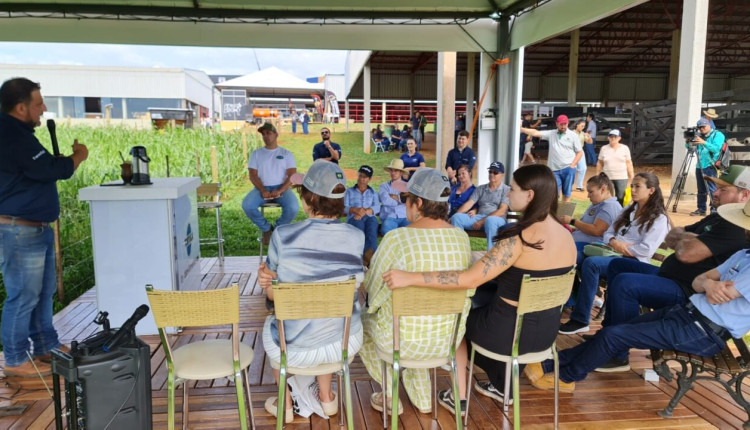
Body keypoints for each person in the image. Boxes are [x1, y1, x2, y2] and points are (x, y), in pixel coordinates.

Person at [382, 164, 577, 413]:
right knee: (494, 308)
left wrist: (410, 277)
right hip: (546, 336)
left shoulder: (521, 239)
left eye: (513, 189)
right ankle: (502, 386)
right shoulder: (566, 236)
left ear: (530, 195)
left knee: (457, 322)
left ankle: (459, 397)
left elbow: (469, 280)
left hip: (508, 336)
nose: (507, 194)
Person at [525, 194, 750, 392]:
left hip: (703, 331)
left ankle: (566, 377)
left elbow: (715, 291)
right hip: (686, 314)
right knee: (614, 332)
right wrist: (710, 283)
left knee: (614, 336)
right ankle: (551, 364)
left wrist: (709, 284)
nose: (743, 229)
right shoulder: (743, 254)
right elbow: (700, 281)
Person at [596, 166, 750, 372]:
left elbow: (687, 253)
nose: (715, 192)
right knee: (618, 265)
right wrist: (691, 240)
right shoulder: (718, 217)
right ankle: (609, 332)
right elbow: (673, 235)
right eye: (717, 187)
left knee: (626, 284)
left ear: (744, 195)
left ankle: (618, 354)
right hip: (669, 277)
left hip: (688, 291)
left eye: (723, 189)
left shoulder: (735, 227)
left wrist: (689, 242)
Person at [257, 160, 365, 423]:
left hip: (294, 349)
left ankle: (285, 403)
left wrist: (267, 285)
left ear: (310, 198)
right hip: (343, 344)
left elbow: (274, 297)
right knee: (330, 315)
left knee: (272, 322)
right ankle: (326, 396)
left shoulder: (283, 236)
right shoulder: (356, 237)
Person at [359, 168, 473, 415]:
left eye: (405, 199)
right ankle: (422, 397)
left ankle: (390, 394)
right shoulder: (462, 238)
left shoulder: (396, 238)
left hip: (400, 342)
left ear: (418, 203)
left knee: (362, 322)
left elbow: (373, 291)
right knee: (419, 322)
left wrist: (373, 304)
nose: (405, 204)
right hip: (446, 342)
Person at [0, 77, 89, 377]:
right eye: (38, 104)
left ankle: (44, 346)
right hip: (19, 230)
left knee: (42, 291)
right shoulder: (13, 135)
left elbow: (36, 170)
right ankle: (15, 360)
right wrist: (78, 157)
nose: (44, 109)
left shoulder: (18, 134)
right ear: (21, 107)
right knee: (23, 295)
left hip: (33, 228)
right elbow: (49, 169)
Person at [559, 172, 670, 335]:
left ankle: (580, 319)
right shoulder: (628, 210)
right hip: (611, 253)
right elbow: (608, 233)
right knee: (574, 256)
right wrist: (614, 242)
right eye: (632, 186)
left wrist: (621, 246)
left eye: (637, 186)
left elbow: (645, 250)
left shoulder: (659, 219)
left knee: (592, 263)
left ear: (651, 190)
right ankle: (569, 299)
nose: (632, 190)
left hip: (634, 262)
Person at [241, 122, 299, 245]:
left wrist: (281, 190)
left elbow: (292, 175)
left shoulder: (286, 154)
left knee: (293, 208)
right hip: (261, 188)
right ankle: (266, 229)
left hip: (282, 188)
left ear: (276, 134)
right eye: (263, 134)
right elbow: (253, 175)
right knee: (247, 205)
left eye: (268, 133)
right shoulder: (256, 154)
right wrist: (262, 190)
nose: (266, 136)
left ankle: (277, 229)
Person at [559, 173, 623, 270]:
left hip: (593, 247)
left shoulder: (609, 206)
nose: (588, 196)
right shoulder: (598, 204)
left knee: (559, 253)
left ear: (603, 189)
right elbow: (587, 226)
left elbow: (597, 230)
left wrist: (572, 221)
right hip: (584, 244)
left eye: (591, 192)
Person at [521, 114, 583, 202]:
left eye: (565, 124)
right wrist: (521, 129)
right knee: (553, 194)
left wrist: (572, 165)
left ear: (567, 124)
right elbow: (535, 132)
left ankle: (564, 215)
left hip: (568, 169)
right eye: (561, 124)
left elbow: (580, 152)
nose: (563, 126)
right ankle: (553, 214)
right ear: (556, 124)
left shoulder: (573, 135)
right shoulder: (551, 133)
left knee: (567, 194)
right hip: (554, 170)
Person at [450, 162, 510, 251]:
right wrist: (453, 216)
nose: (492, 174)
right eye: (490, 171)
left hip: (497, 219)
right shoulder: (481, 188)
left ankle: (491, 256)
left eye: (495, 172)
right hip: (480, 217)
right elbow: (469, 203)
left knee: (490, 220)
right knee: (457, 218)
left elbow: (502, 211)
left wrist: (482, 221)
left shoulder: (506, 190)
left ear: (502, 175)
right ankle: (460, 251)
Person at [344, 165, 380, 267]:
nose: (361, 179)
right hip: (354, 217)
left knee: (372, 230)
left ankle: (369, 257)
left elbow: (377, 207)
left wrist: (365, 211)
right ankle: (359, 258)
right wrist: (355, 210)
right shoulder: (349, 191)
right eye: (360, 176)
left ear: (370, 179)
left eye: (364, 177)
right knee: (359, 231)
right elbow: (344, 207)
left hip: (369, 217)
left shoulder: (373, 193)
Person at [689, 117, 725, 216]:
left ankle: (714, 210)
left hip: (711, 165)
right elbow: (691, 148)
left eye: (703, 127)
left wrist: (703, 142)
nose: (702, 129)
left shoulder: (718, 135)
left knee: (712, 189)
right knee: (701, 189)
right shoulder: (700, 135)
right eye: (700, 127)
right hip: (699, 165)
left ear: (709, 125)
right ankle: (701, 209)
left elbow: (716, 149)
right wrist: (688, 142)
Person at [596, 129, 634, 205]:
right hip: (607, 177)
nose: (613, 138)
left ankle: (619, 214)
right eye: (611, 136)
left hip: (621, 177)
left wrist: (631, 175)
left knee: (620, 197)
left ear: (619, 138)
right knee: (608, 197)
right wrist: (597, 174)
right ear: (608, 138)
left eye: (615, 137)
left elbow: (628, 162)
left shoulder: (625, 148)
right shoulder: (604, 148)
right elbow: (600, 162)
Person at [379, 159, 410, 235]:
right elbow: (385, 201)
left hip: (404, 216)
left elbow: (410, 201)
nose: (393, 173)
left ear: (401, 172)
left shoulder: (407, 186)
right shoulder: (383, 186)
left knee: (411, 233)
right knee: (386, 231)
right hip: (389, 216)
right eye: (391, 170)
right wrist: (402, 200)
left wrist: (398, 198)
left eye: (396, 171)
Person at [573, 119, 592, 192]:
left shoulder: (583, 133)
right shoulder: (572, 133)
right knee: (573, 169)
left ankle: (579, 185)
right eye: (581, 126)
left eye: (584, 126)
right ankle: (569, 184)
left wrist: (589, 137)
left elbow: (590, 142)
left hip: (580, 150)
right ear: (577, 125)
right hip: (572, 151)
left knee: (583, 168)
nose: (583, 127)